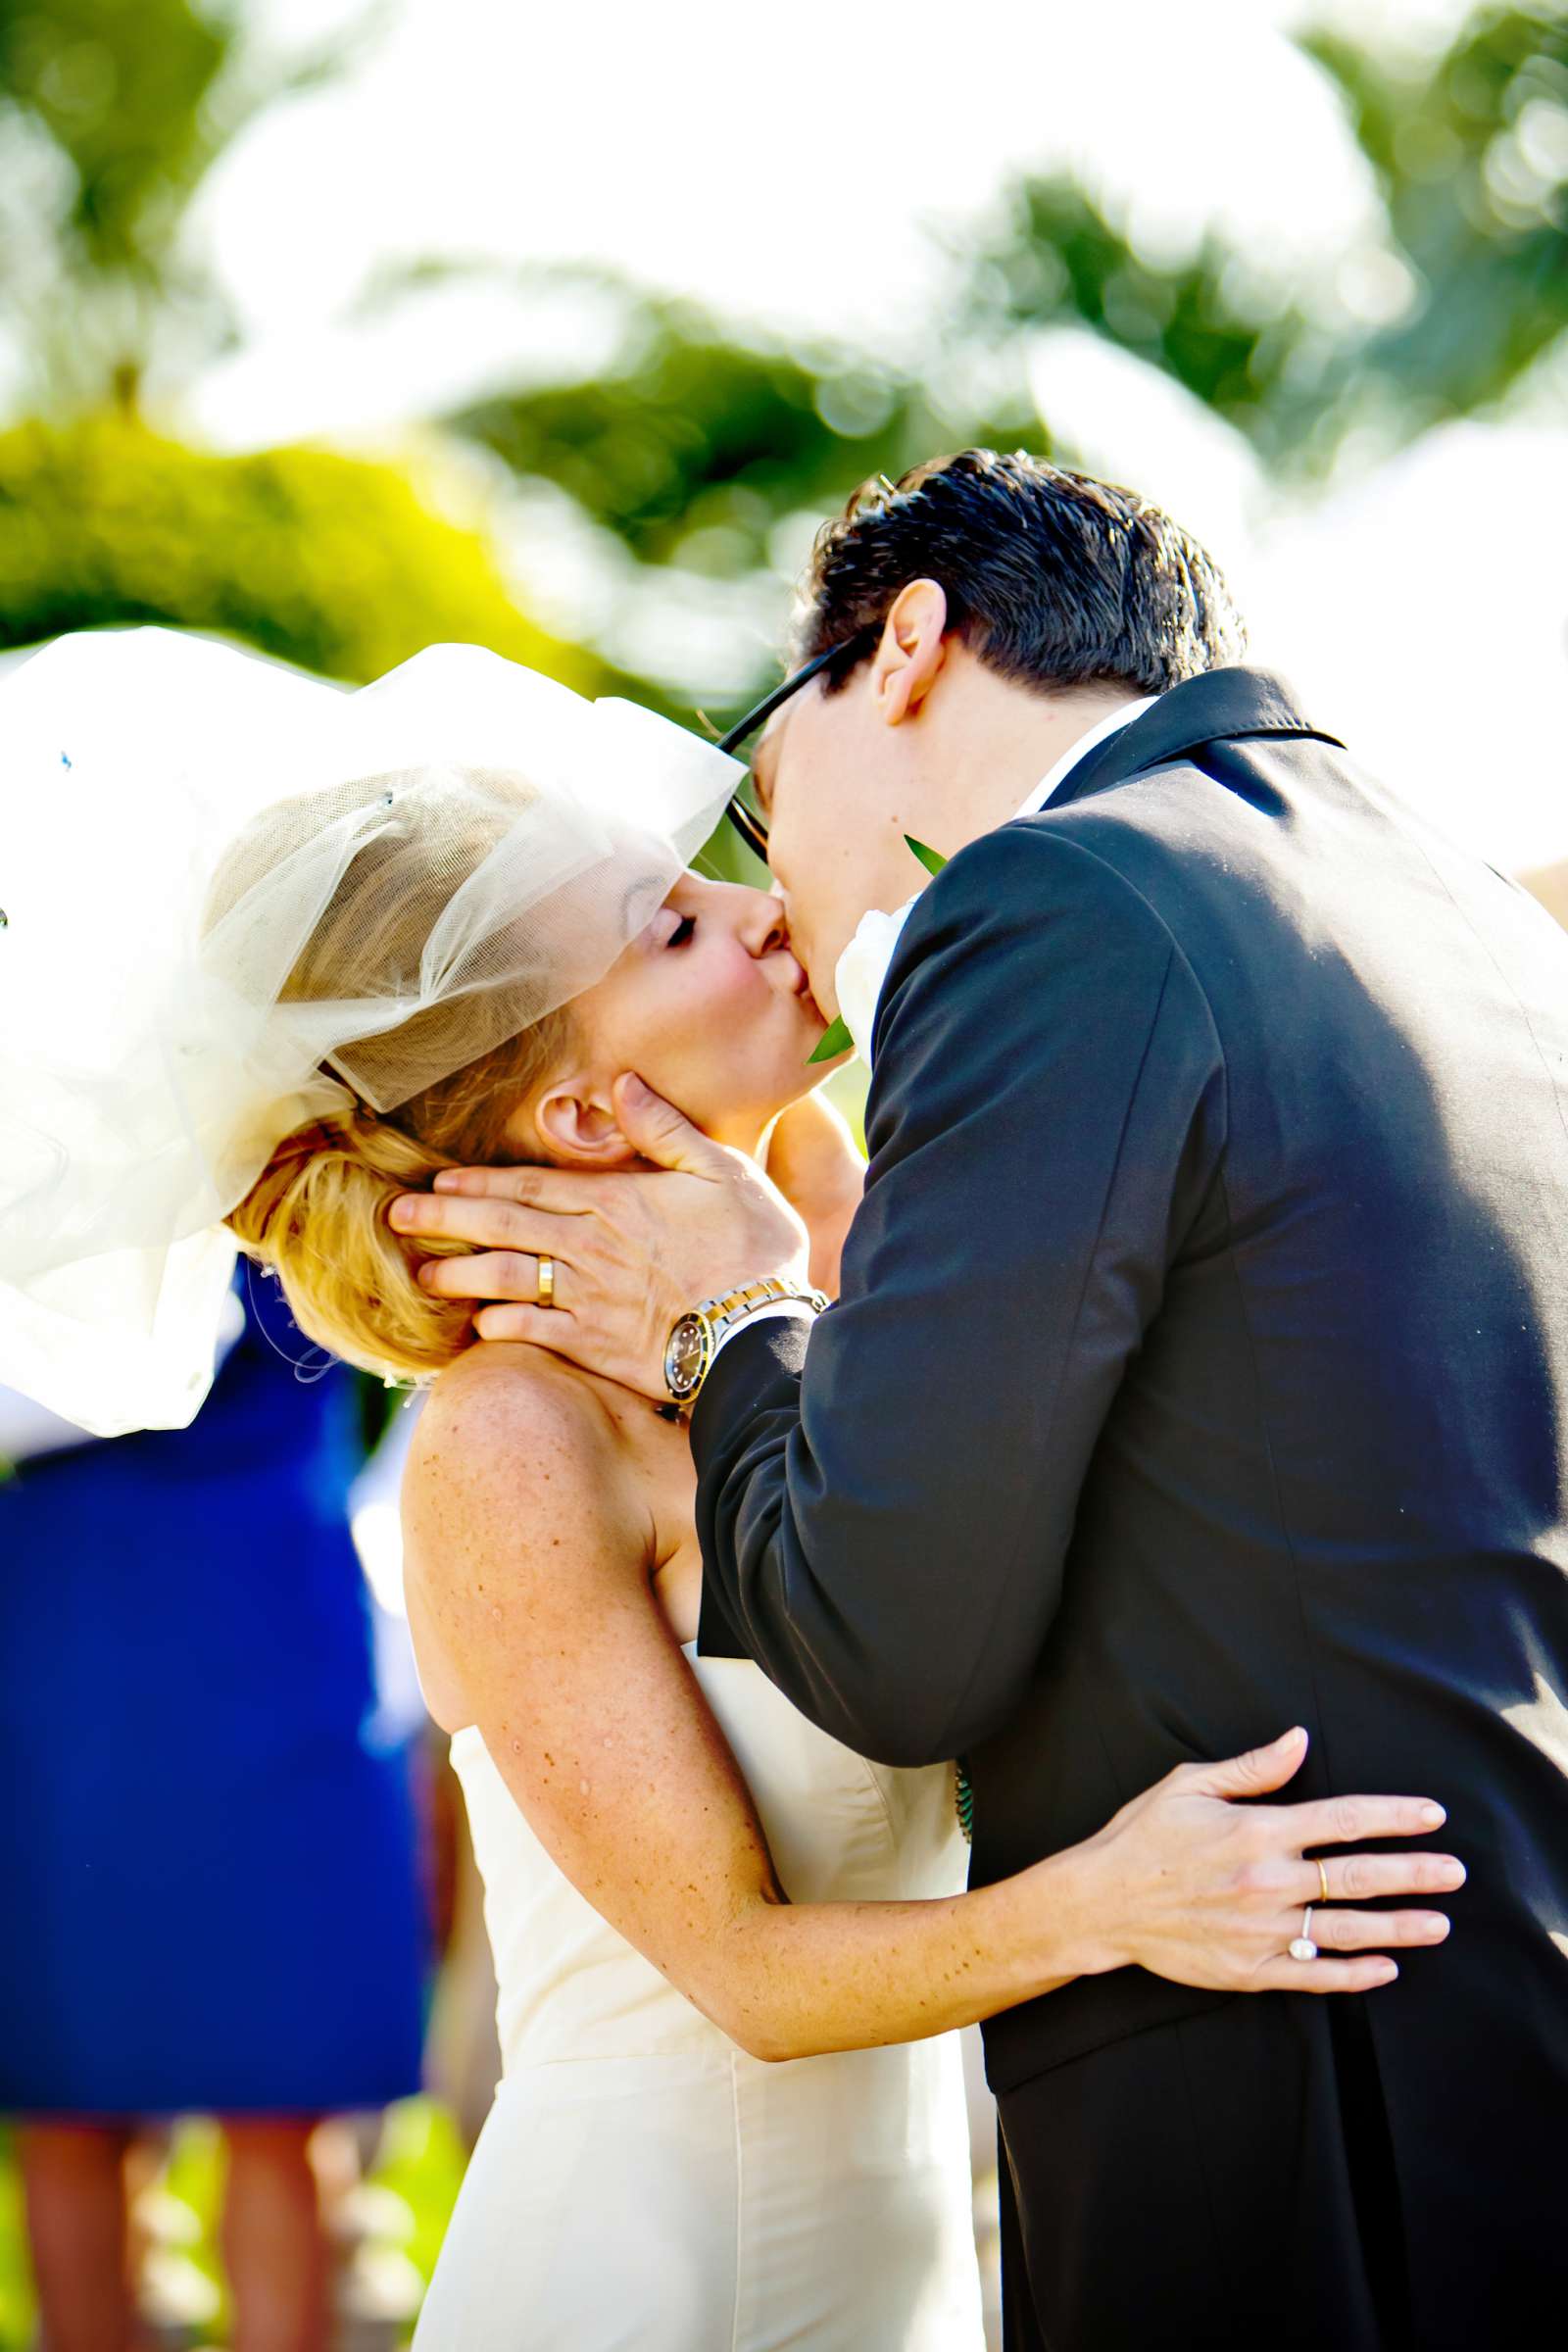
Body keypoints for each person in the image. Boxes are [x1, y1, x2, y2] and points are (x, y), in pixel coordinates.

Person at [0, 625, 1456, 2352]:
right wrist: (1121, 1902)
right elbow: (745, 1973)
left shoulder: (830, 1318)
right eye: (673, 925)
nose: (764, 910)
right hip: (649, 2274)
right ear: (591, 1116)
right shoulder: (507, 1445)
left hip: (904, 2270)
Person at [405, 451, 1568, 2351]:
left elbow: (887, 1644)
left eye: (757, 765)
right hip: (1485, 2028)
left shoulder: (1057, 898)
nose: (766, 868)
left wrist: (729, 1326)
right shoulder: (1452, 900)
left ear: (904, 650)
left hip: (1269, 2070)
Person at [0, 1273, 426, 2352]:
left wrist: (401, 1562)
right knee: (72, 2093)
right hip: (90, 1635)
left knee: (282, 2091)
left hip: (267, 1619)